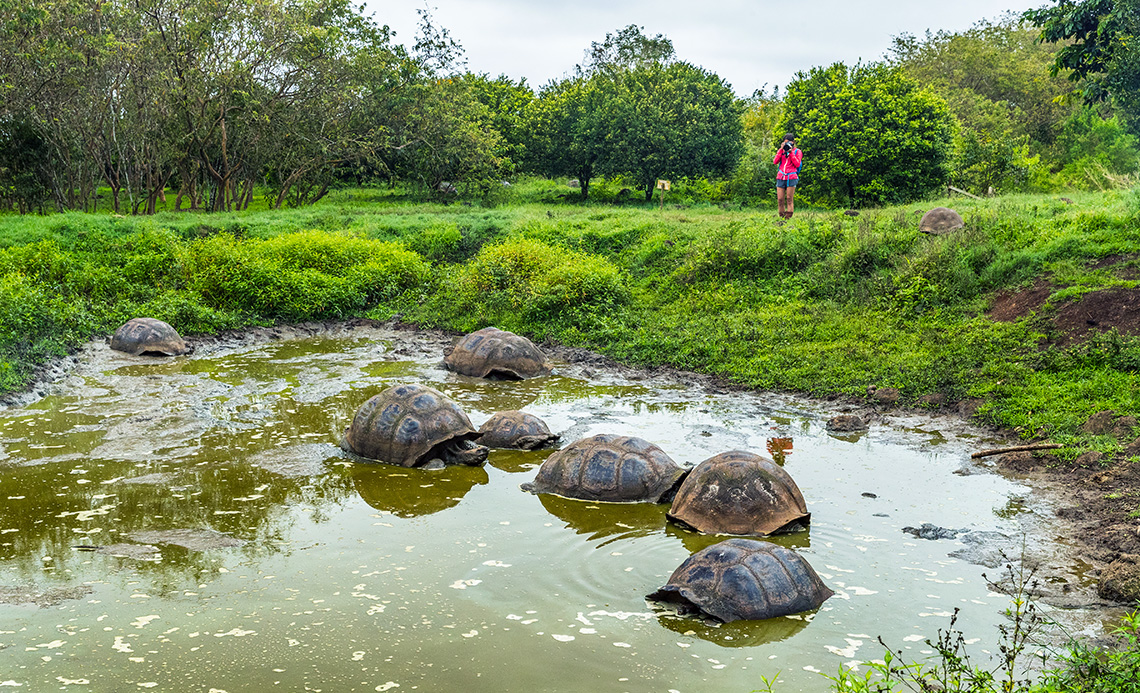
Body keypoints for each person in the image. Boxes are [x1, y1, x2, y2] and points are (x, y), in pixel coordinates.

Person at [773, 133, 802, 220]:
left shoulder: (797, 152)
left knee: (789, 198)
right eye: (785, 143)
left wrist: (791, 153)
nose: (787, 145)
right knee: (780, 199)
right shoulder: (782, 151)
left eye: (789, 143)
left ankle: (788, 218)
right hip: (781, 176)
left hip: (791, 176)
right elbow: (775, 161)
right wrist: (780, 150)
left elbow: (797, 164)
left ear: (793, 142)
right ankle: (781, 218)